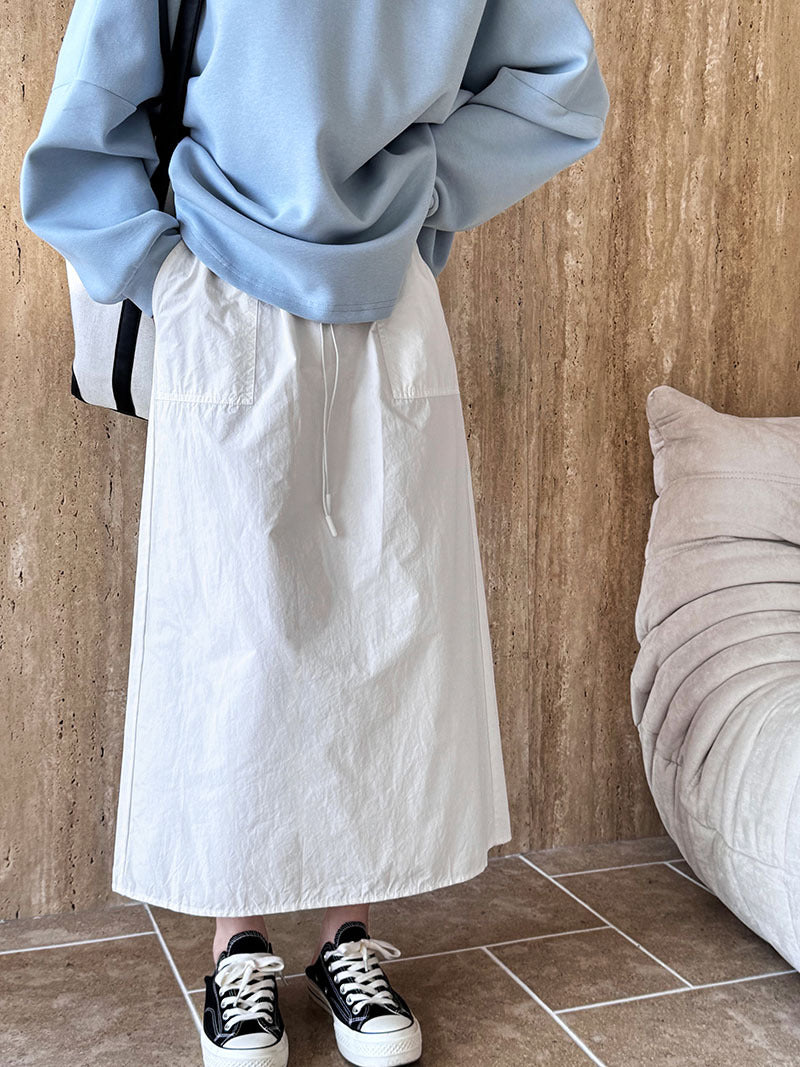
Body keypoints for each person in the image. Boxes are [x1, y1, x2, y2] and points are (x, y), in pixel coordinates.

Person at [19, 1, 610, 1064]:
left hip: (385, 300)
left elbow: (560, 82)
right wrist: (164, 275)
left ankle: (348, 936)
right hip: (219, 285)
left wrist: (419, 193)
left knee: (383, 627)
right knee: (235, 635)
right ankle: (235, 942)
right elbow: (86, 118)